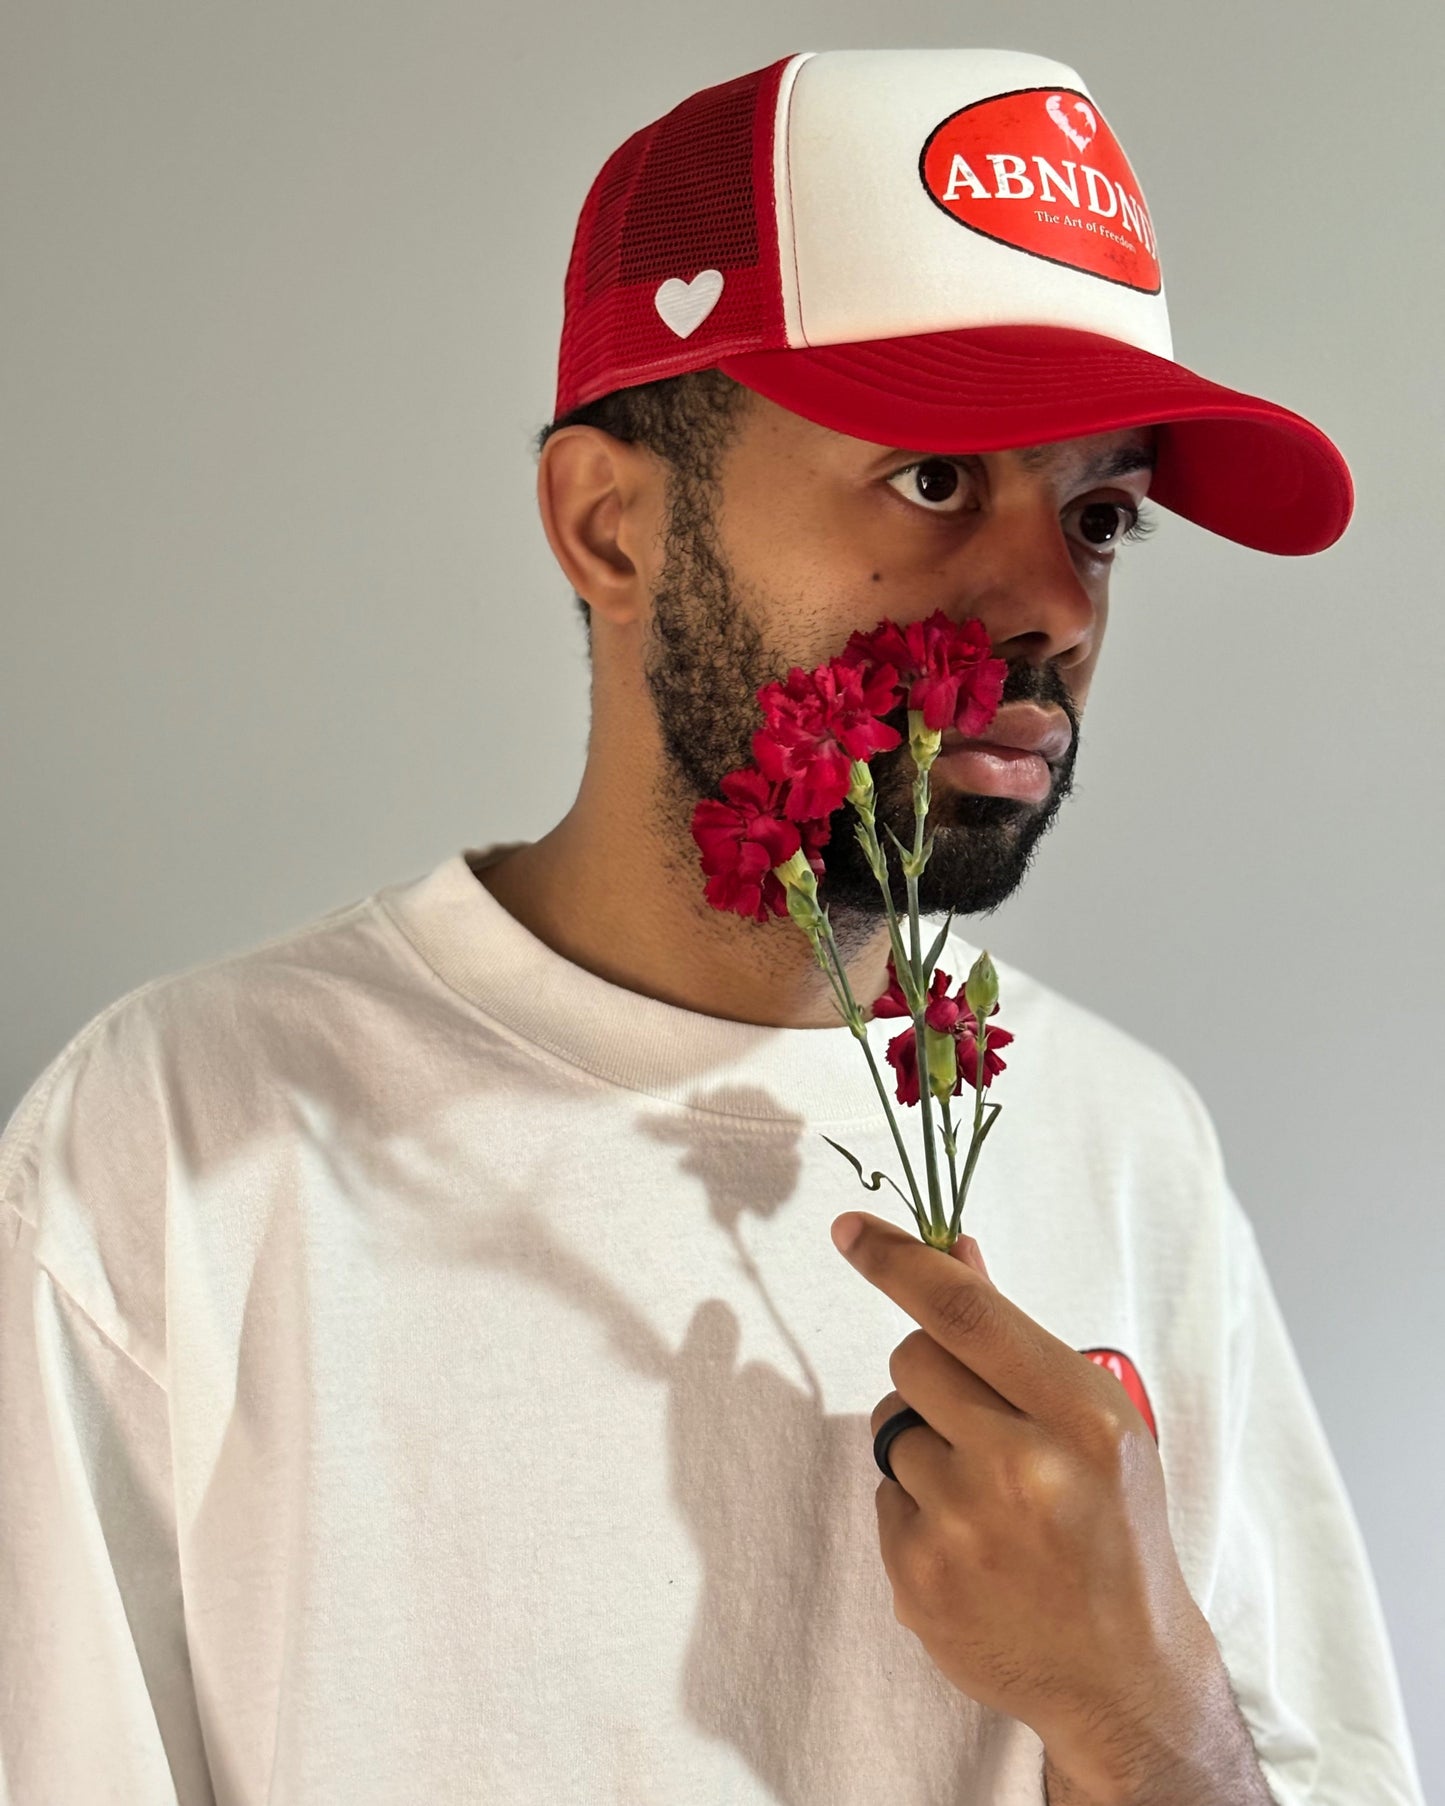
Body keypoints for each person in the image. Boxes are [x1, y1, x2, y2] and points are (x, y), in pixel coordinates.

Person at [0, 46, 1426, 1806]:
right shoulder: (184, 1144)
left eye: (1100, 512)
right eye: (932, 480)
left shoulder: (1126, 1151)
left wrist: (1141, 1723)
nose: (1056, 602)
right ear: (610, 525)